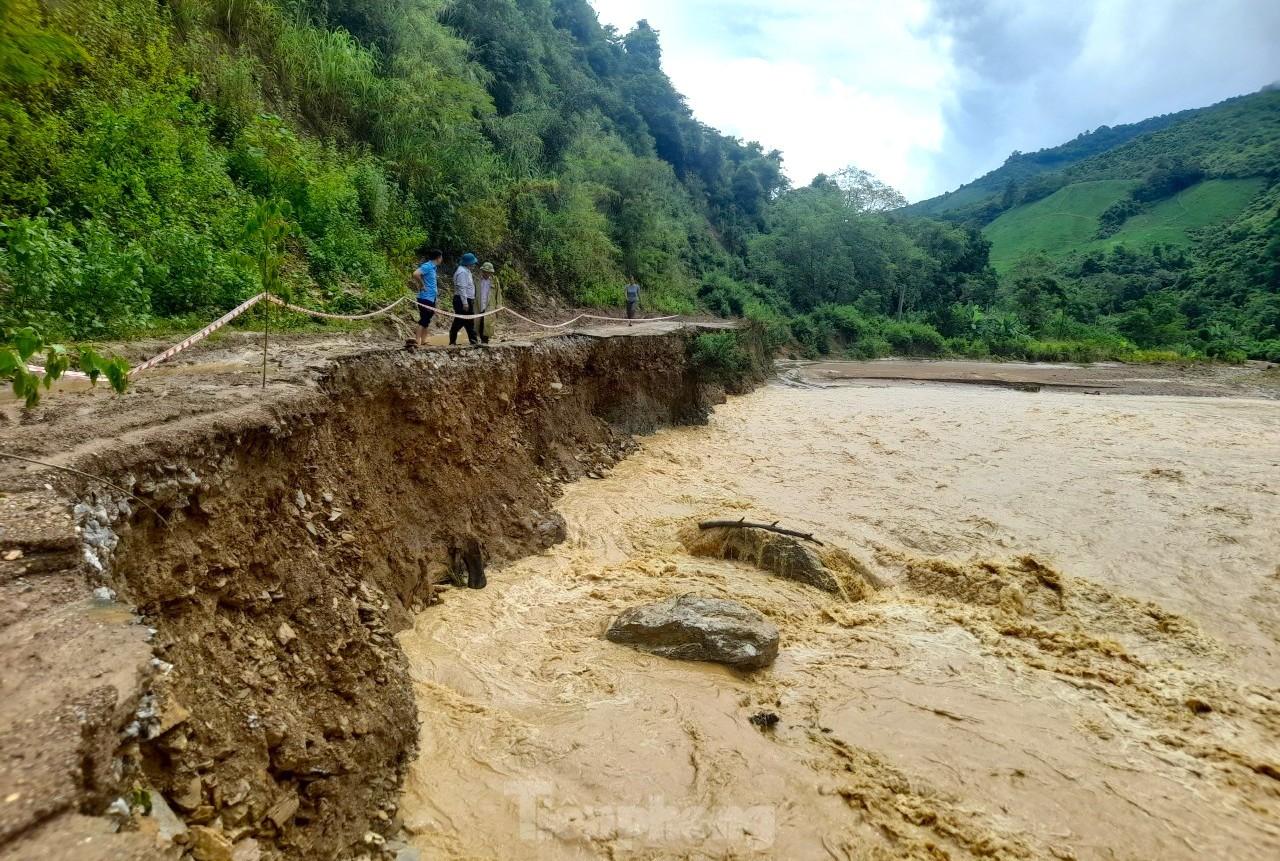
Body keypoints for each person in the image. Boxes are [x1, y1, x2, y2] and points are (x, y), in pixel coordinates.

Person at [411, 247, 443, 349]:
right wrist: (422, 285)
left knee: (427, 319)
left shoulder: (433, 268)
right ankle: (417, 341)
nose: (441, 259)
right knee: (424, 319)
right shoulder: (428, 266)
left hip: (431, 298)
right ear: (438, 258)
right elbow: (416, 274)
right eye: (441, 257)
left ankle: (424, 340)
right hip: (425, 297)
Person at [449, 253, 479, 346]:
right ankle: (453, 341)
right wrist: (465, 303)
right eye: (472, 263)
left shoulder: (467, 271)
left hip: (466, 299)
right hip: (462, 300)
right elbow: (462, 288)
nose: (474, 265)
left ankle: (473, 341)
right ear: (468, 263)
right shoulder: (462, 272)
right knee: (460, 320)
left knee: (469, 321)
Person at [476, 262, 502, 344]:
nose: (486, 273)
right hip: (478, 305)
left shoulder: (495, 281)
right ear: (482, 271)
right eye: (485, 271)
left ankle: (485, 342)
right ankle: (478, 341)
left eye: (488, 272)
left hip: (490, 305)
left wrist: (498, 306)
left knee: (487, 325)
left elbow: (498, 294)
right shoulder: (477, 279)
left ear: (491, 272)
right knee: (478, 323)